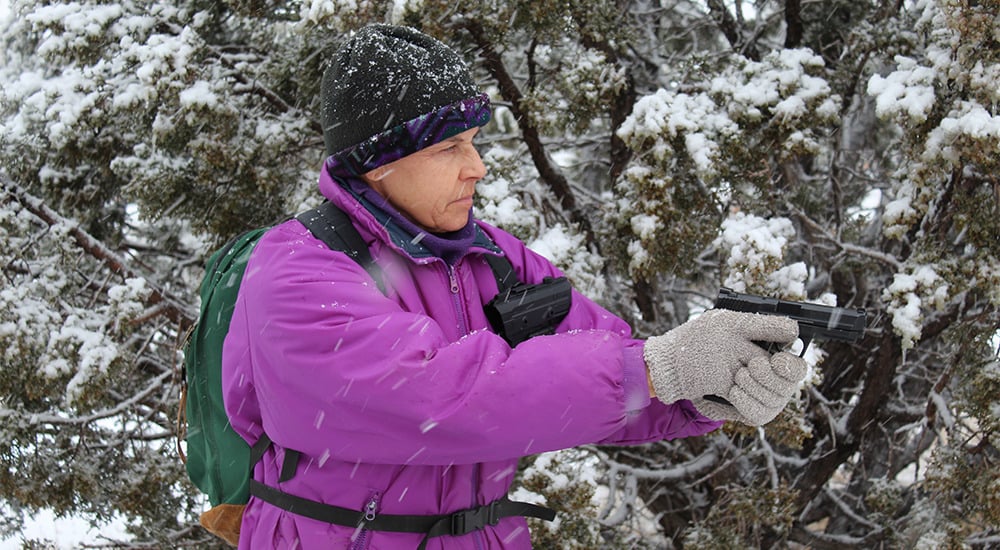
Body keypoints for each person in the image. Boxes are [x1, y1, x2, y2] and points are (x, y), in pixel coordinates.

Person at [221, 23, 807, 550]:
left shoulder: (492, 258)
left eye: (473, 141)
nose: (476, 167)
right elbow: (437, 401)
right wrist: (657, 369)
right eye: (450, 147)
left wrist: (710, 387)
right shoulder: (297, 270)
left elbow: (617, 369)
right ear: (379, 162)